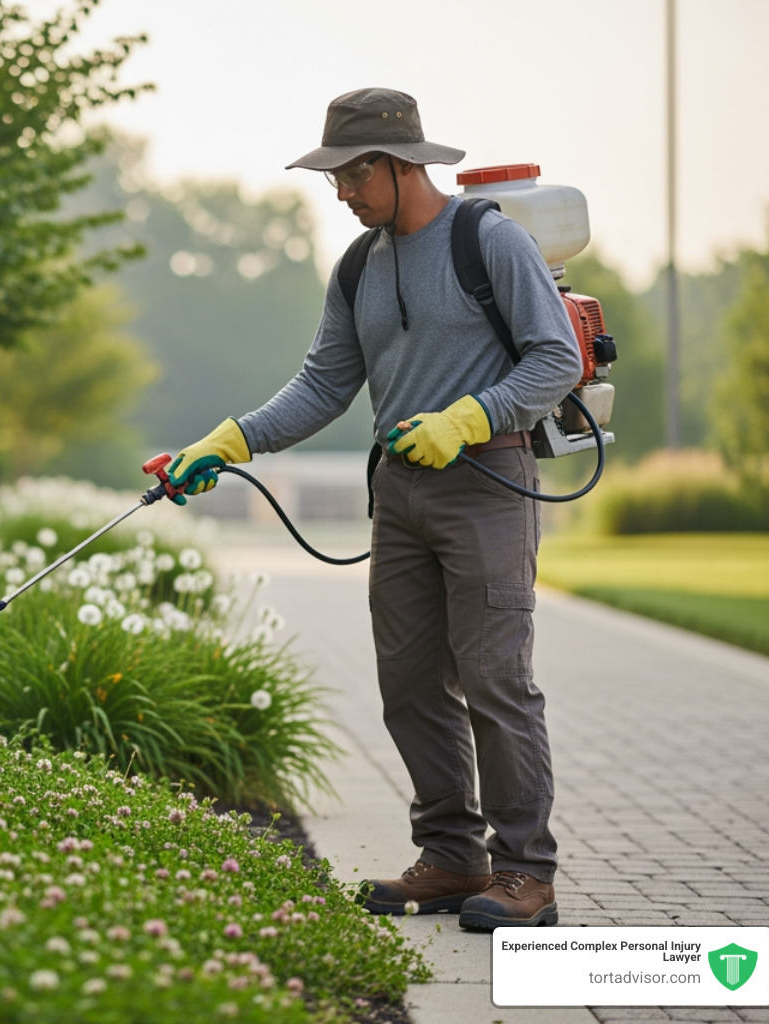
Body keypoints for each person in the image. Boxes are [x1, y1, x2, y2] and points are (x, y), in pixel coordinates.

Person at [166, 88, 582, 930]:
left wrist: (468, 418)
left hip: (486, 485)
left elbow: (556, 359)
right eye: (335, 180)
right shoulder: (359, 266)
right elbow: (323, 384)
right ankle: (452, 855)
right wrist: (231, 441)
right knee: (410, 683)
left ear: (398, 166)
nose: (343, 195)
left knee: (495, 681)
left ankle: (525, 872)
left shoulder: (489, 241)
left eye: (353, 177)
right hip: (399, 493)